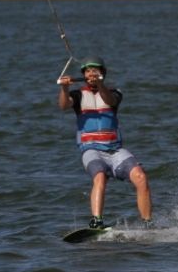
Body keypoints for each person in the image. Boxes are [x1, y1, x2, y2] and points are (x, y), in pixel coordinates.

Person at [58, 56, 152, 228]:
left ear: (102, 73)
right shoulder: (77, 95)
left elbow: (109, 101)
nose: (91, 73)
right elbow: (64, 105)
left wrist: (100, 85)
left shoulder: (115, 93)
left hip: (115, 150)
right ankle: (97, 221)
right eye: (87, 71)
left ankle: (147, 223)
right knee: (100, 176)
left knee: (140, 176)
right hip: (91, 149)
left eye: (95, 70)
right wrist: (64, 88)